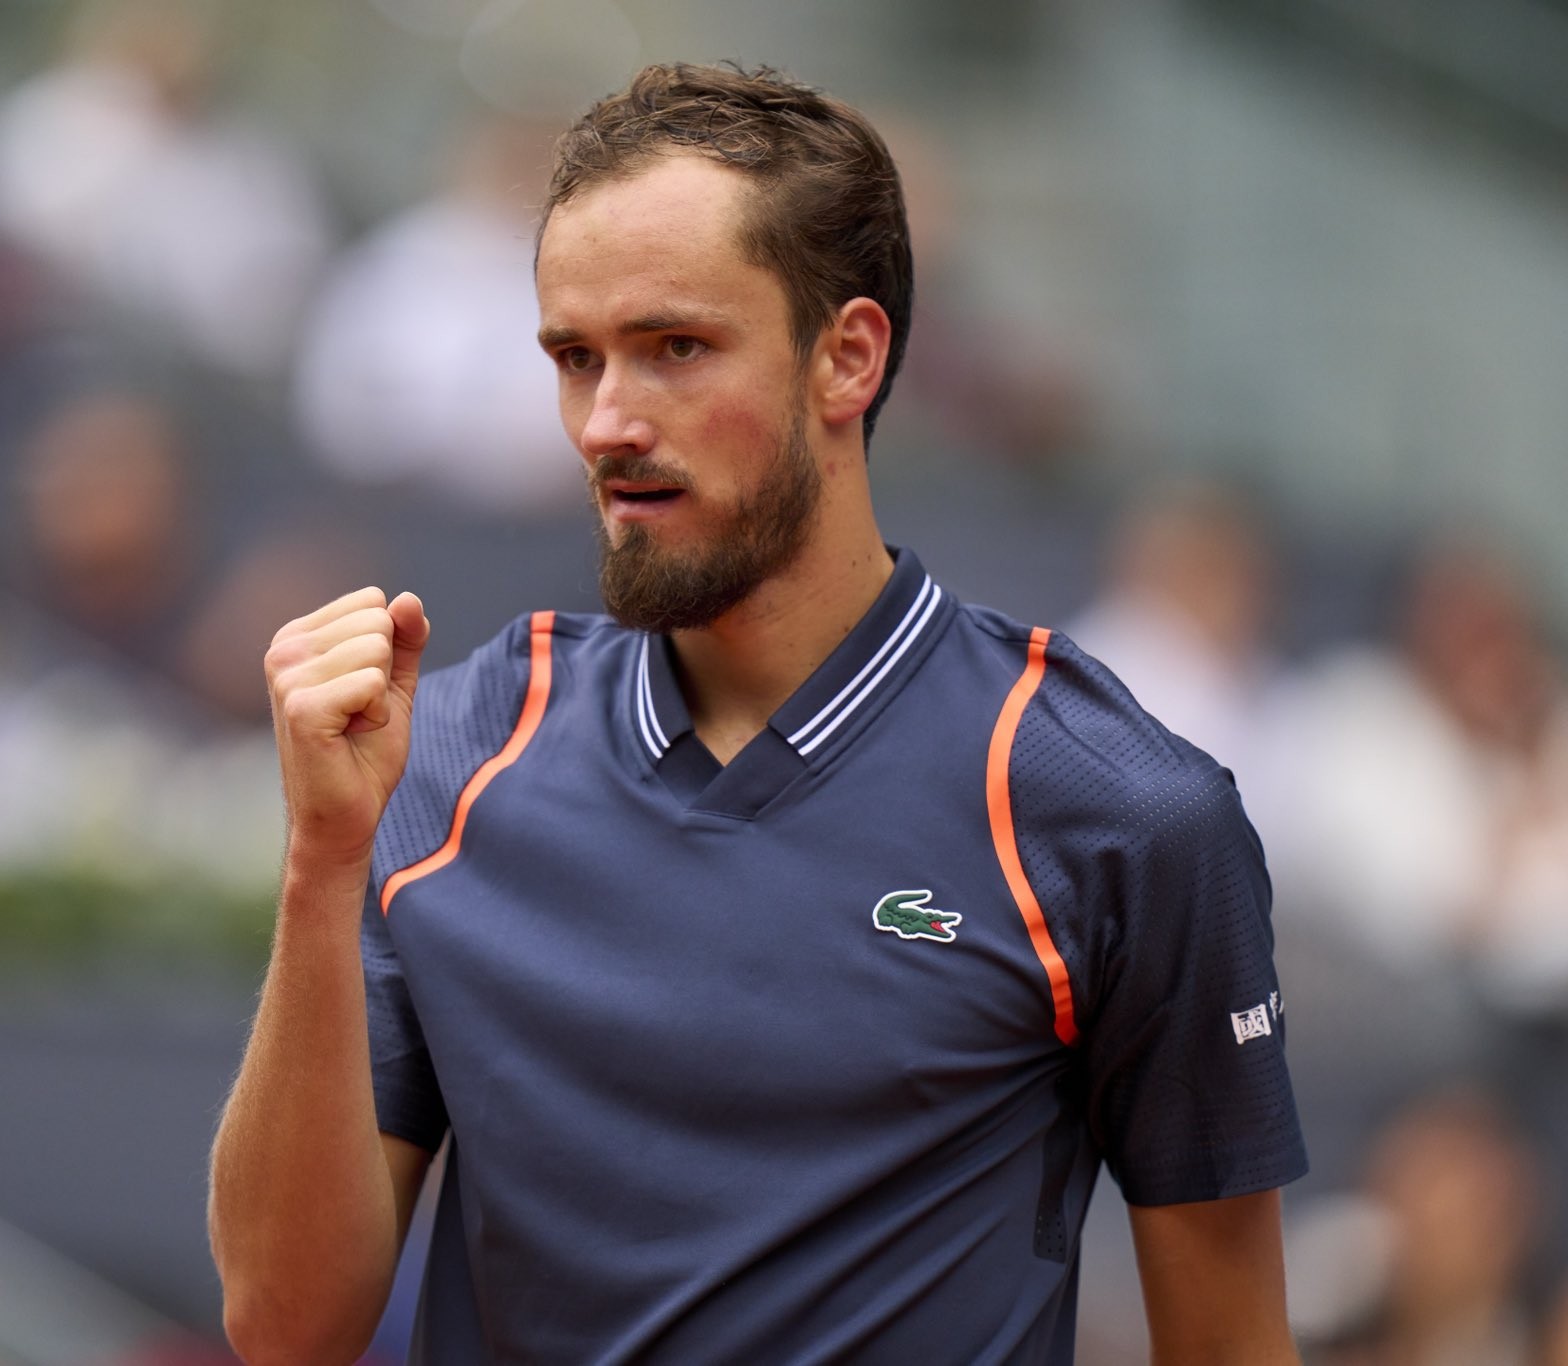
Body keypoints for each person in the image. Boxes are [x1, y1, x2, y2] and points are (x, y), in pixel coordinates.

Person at [210, 63, 1305, 1364]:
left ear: (848, 357)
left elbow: (1232, 1342)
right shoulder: (448, 753)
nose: (607, 422)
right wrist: (320, 865)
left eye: (675, 348)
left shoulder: (1121, 811)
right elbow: (284, 1326)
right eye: (575, 358)